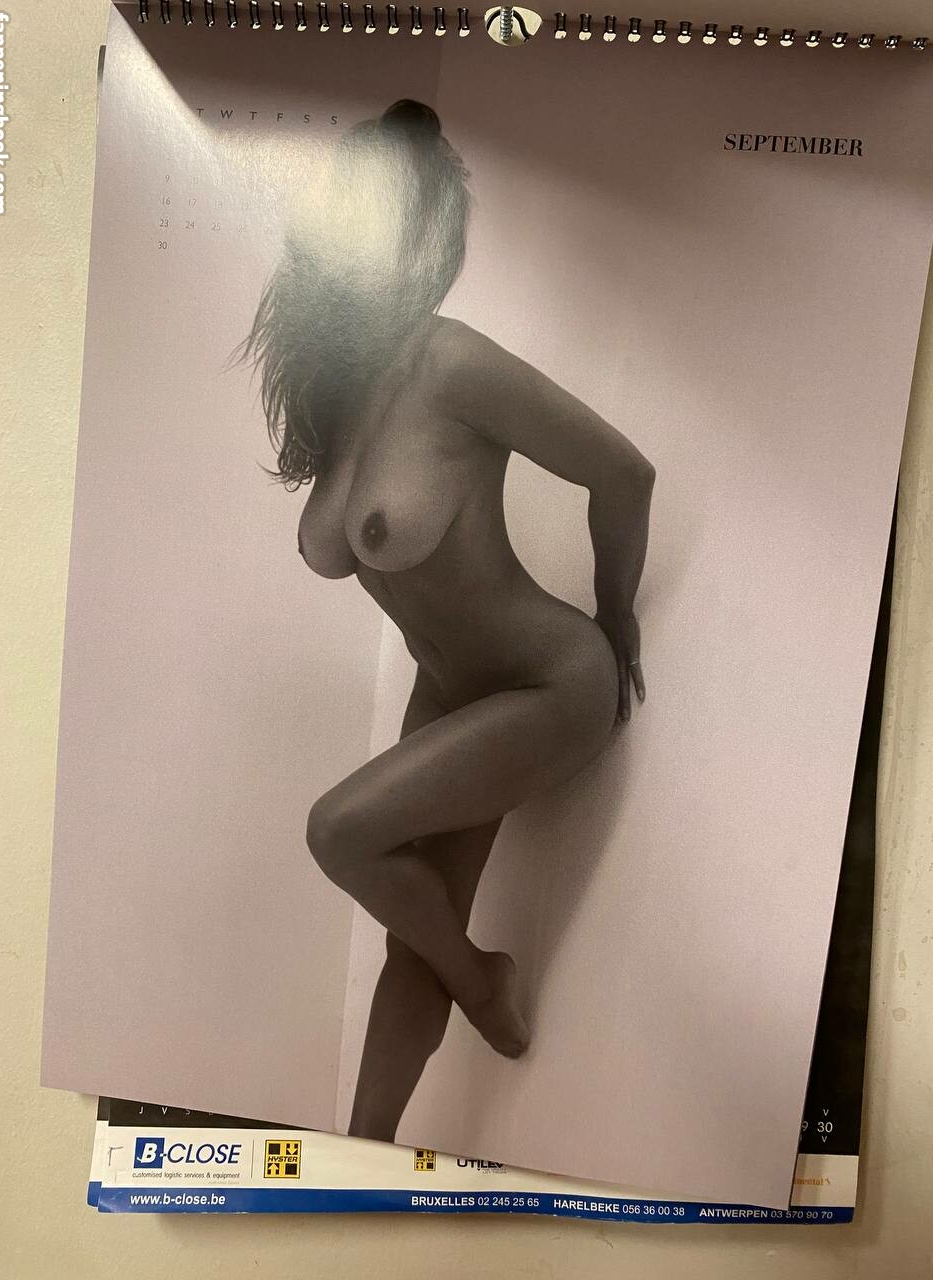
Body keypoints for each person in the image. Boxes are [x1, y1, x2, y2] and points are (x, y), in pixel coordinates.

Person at [237, 99, 655, 1142]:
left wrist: (616, 619)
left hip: (548, 683)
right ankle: (361, 1152)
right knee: (411, 936)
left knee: (338, 831)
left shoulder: (451, 363)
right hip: (452, 694)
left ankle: (481, 980)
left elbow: (623, 473)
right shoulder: (341, 405)